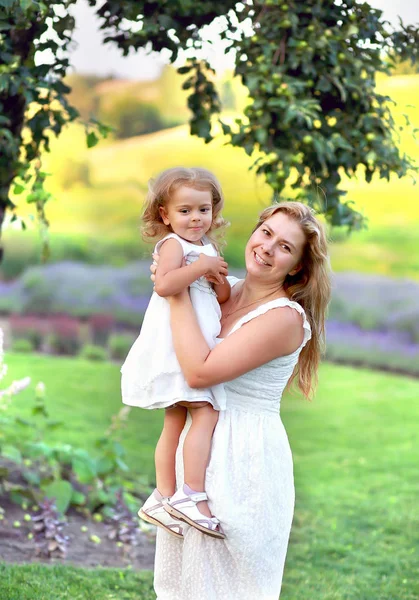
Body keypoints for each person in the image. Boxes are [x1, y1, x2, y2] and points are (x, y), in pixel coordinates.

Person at [151, 201, 331, 600]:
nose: (267, 248)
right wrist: (181, 279)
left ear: (298, 267)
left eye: (285, 247)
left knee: (228, 586)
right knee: (180, 585)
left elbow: (199, 372)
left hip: (245, 458)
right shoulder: (221, 289)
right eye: (266, 233)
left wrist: (176, 290)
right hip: (196, 446)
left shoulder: (284, 318)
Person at [121, 167, 230, 539]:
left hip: (196, 340)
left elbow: (219, 297)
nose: (196, 218)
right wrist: (200, 267)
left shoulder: (208, 249)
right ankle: (190, 494)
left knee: (175, 420)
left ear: (214, 211)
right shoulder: (174, 246)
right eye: (184, 211)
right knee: (205, 411)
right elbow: (165, 284)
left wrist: (217, 280)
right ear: (165, 215)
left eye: (203, 209)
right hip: (175, 344)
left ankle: (161, 496)